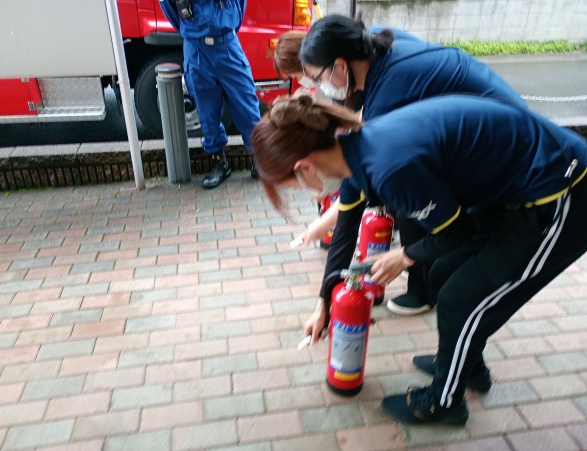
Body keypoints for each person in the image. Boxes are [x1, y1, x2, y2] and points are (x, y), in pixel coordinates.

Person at [250, 93, 587, 425]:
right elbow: (344, 235)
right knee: (442, 275)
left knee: (461, 300)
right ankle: (466, 366)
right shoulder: (351, 152)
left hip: (560, 191)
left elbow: (454, 232)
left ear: (304, 167)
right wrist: (324, 303)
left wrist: (405, 256)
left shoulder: (391, 167)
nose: (306, 192)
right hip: (510, 191)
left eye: (294, 186)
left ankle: (444, 403)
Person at [293, 15, 526, 340]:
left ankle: (445, 330)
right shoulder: (371, 44)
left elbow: (352, 202)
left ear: (341, 66)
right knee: (440, 257)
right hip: (484, 139)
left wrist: (403, 257)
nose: (321, 88)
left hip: (506, 153)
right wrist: (325, 301)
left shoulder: (387, 98)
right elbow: (351, 201)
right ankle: (451, 339)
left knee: (456, 270)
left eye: (319, 78)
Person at [159, 0, 261, 189]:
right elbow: (170, 10)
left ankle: (260, 158)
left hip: (228, 46)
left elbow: (240, 6)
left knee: (247, 106)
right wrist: (194, 33)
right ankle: (219, 162)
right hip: (197, 51)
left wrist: (224, 30)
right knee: (207, 113)